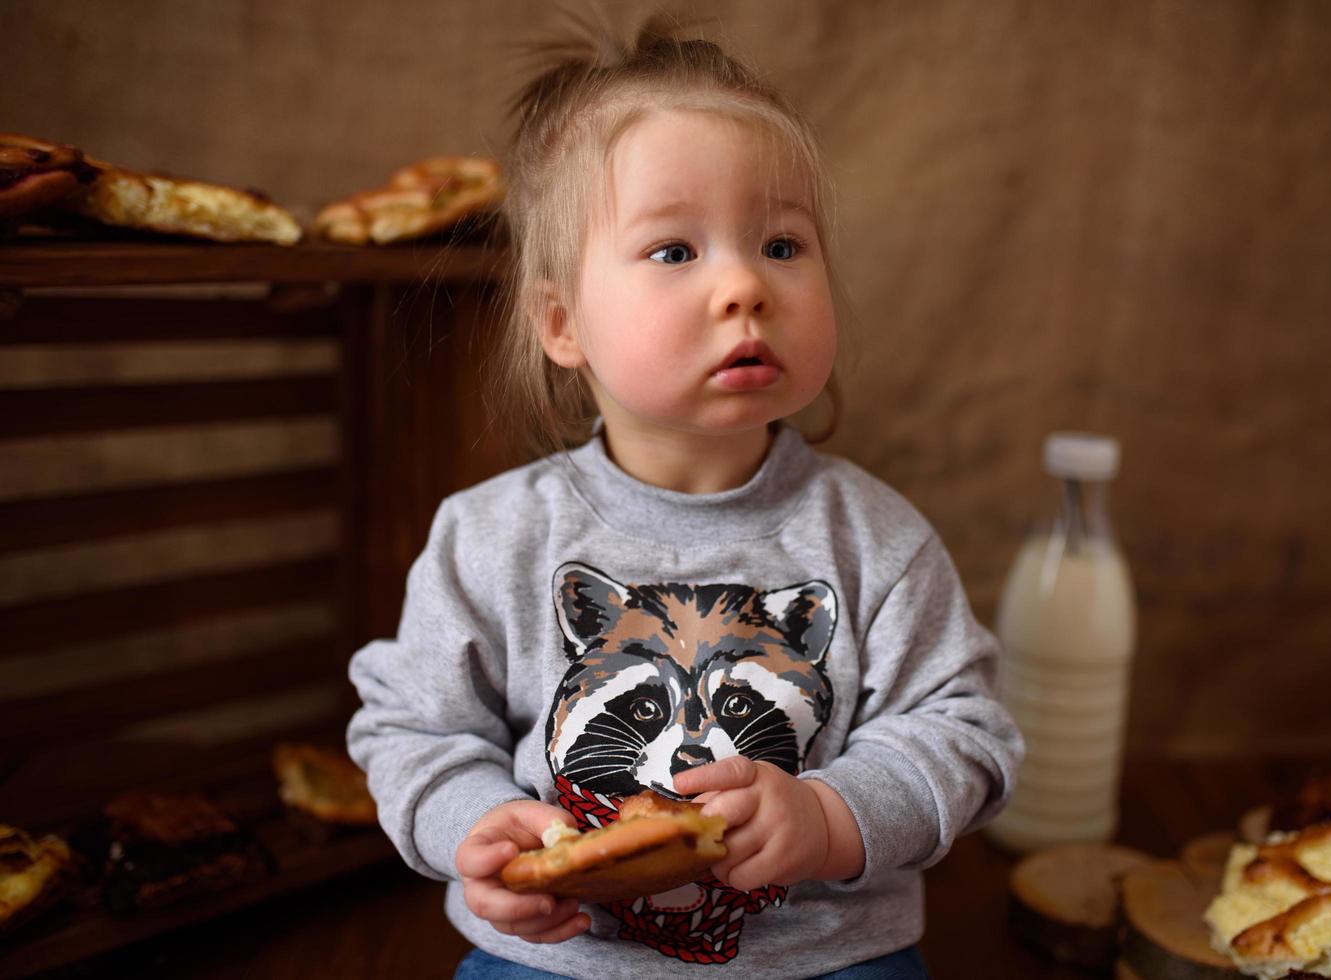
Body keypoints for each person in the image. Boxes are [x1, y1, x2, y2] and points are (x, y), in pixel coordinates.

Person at [347, 18, 1022, 980]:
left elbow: (967, 734)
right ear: (560, 321)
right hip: (558, 959)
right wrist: (472, 829)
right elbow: (412, 725)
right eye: (674, 251)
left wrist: (834, 817)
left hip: (825, 958)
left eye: (782, 243)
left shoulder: (875, 539)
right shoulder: (490, 536)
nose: (745, 285)